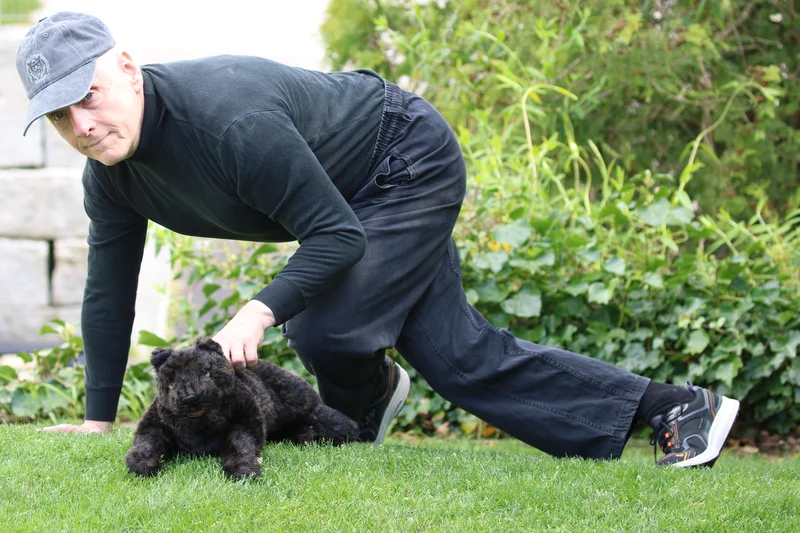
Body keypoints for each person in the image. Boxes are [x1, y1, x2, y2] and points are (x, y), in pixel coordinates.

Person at [16, 12, 740, 466]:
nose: (82, 123)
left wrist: (259, 308)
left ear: (128, 70)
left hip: (403, 160)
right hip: (360, 196)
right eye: (59, 114)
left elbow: (335, 234)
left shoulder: (227, 122)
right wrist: (95, 418)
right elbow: (108, 289)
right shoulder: (109, 175)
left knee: (326, 326)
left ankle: (358, 414)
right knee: (458, 359)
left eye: (90, 96)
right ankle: (678, 408)